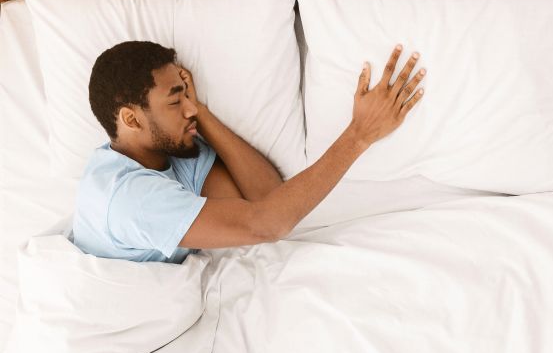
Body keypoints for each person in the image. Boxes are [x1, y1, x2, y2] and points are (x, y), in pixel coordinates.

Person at [72, 41, 426, 264]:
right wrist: (360, 135)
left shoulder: (170, 158)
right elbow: (267, 225)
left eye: (188, 97)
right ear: (132, 118)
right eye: (176, 101)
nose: (189, 110)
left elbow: (270, 199)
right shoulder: (131, 199)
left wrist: (203, 113)